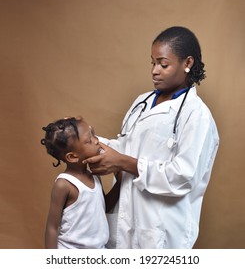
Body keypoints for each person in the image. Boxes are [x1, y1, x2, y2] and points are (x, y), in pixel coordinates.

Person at [82, 26, 220, 249]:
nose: (155, 71)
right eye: (152, 63)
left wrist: (123, 162)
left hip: (162, 230)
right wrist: (86, 140)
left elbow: (183, 176)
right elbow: (124, 146)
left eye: (163, 64)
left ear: (188, 63)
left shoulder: (197, 115)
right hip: (126, 216)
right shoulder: (142, 102)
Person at [41, 116, 121, 249]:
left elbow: (104, 207)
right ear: (72, 157)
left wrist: (120, 182)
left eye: (93, 135)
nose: (97, 141)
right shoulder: (64, 184)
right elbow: (52, 227)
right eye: (90, 140)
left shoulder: (94, 175)